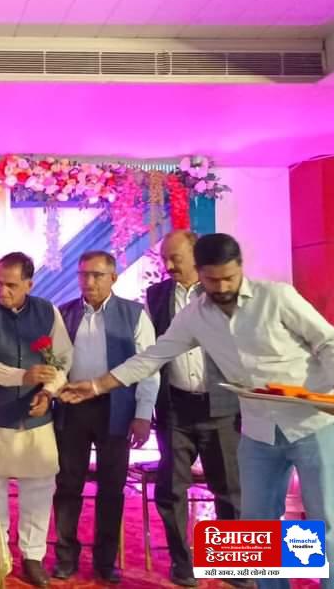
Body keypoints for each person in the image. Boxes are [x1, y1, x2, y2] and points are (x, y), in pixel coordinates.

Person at [61, 233, 334, 589]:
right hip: (258, 431)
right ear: (200, 273)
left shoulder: (276, 297)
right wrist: (97, 385)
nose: (221, 287)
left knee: (331, 525)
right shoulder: (195, 316)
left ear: (241, 268)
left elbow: (331, 340)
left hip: (313, 423)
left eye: (228, 278)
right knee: (257, 528)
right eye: (212, 280)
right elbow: (152, 357)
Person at [0, 252, 72, 587]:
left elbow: (63, 358)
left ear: (29, 284)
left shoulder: (47, 311)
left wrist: (48, 391)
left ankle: (33, 557)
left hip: (36, 417)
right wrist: (23, 376)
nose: (2, 291)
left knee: (39, 488)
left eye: (11, 285)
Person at [52, 250, 159, 585]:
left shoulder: (134, 314)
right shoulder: (63, 313)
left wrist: (143, 414)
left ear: (113, 277)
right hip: (72, 407)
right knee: (67, 485)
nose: (89, 281)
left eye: (97, 275)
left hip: (117, 409)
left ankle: (105, 561)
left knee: (111, 488)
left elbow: (149, 366)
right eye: (83, 274)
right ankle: (66, 557)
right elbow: (52, 362)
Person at [146, 230, 242, 587]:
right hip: (175, 407)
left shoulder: (222, 289)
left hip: (221, 406)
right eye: (164, 259)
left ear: (196, 255)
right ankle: (182, 563)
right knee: (171, 490)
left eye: (176, 258)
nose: (169, 265)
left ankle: (235, 566)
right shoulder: (156, 296)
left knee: (229, 490)